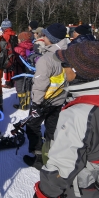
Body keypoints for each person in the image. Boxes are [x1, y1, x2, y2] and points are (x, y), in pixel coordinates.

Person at [30, 41, 99, 198]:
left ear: (76, 71)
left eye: (65, 64)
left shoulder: (80, 113)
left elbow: (61, 168)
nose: (62, 68)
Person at [24, 23, 68, 170]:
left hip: (44, 101)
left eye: (44, 35)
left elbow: (40, 84)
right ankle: (50, 154)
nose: (42, 37)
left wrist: (35, 104)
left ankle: (38, 157)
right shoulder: (69, 53)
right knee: (52, 127)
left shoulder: (46, 60)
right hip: (59, 99)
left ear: (50, 38)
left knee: (32, 125)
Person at [12, 31, 34, 110]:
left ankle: (23, 105)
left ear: (21, 40)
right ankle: (27, 104)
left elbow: (18, 58)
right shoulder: (31, 46)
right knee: (27, 88)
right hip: (29, 71)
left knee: (20, 88)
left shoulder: (18, 48)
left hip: (20, 71)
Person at [0, 18, 17, 89]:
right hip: (14, 53)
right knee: (12, 68)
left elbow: (3, 44)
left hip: (7, 53)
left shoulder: (5, 34)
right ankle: (13, 81)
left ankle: (8, 83)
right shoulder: (13, 33)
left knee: (7, 68)